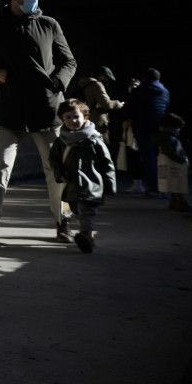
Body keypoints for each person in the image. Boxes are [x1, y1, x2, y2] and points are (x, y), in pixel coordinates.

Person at [0, 0, 78, 244]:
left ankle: (62, 221)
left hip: (46, 106)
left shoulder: (49, 25)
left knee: (55, 168)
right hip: (11, 106)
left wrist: (56, 84)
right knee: (1, 164)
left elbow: (69, 61)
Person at [50, 99, 116, 254]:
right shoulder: (61, 141)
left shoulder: (94, 139)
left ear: (85, 116)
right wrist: (59, 174)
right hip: (71, 186)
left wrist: (110, 184)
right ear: (62, 119)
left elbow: (107, 163)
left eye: (76, 116)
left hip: (91, 184)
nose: (72, 121)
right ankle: (89, 236)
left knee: (87, 212)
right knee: (75, 210)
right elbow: (54, 160)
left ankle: (85, 236)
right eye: (68, 117)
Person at [128, 68, 170, 198]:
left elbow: (130, 109)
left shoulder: (139, 91)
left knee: (148, 159)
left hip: (142, 128)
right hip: (160, 128)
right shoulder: (165, 91)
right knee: (161, 158)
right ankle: (165, 188)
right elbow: (167, 107)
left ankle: (154, 188)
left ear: (145, 78)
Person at [157, 113, 192, 213]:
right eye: (178, 128)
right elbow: (171, 153)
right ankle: (180, 203)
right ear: (171, 128)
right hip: (175, 166)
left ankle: (173, 202)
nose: (179, 131)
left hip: (166, 166)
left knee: (172, 185)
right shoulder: (171, 139)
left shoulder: (161, 137)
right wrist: (183, 160)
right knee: (178, 184)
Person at [77, 66, 125, 140]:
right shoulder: (97, 85)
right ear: (101, 76)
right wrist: (118, 103)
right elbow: (107, 104)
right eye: (106, 77)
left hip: (86, 119)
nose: (107, 80)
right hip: (97, 121)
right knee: (103, 146)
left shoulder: (85, 84)